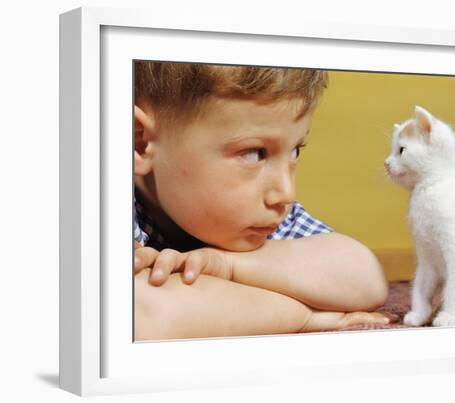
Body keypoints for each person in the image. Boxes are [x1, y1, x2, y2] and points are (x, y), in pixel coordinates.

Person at [132, 62, 390, 341]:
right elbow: (141, 315)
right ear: (140, 143)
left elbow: (365, 280)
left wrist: (226, 265)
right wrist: (304, 316)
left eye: (295, 152)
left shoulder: (257, 218)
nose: (285, 193)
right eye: (254, 154)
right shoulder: (96, 207)